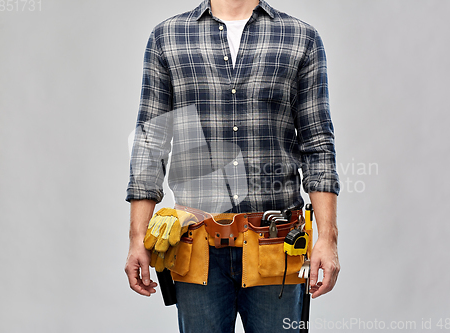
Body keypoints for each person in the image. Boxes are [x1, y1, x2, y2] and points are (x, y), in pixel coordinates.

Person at [124, 0, 340, 332]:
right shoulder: (168, 37)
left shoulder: (300, 37)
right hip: (197, 248)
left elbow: (318, 143)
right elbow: (150, 144)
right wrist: (137, 237)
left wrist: (327, 238)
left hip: (276, 246)